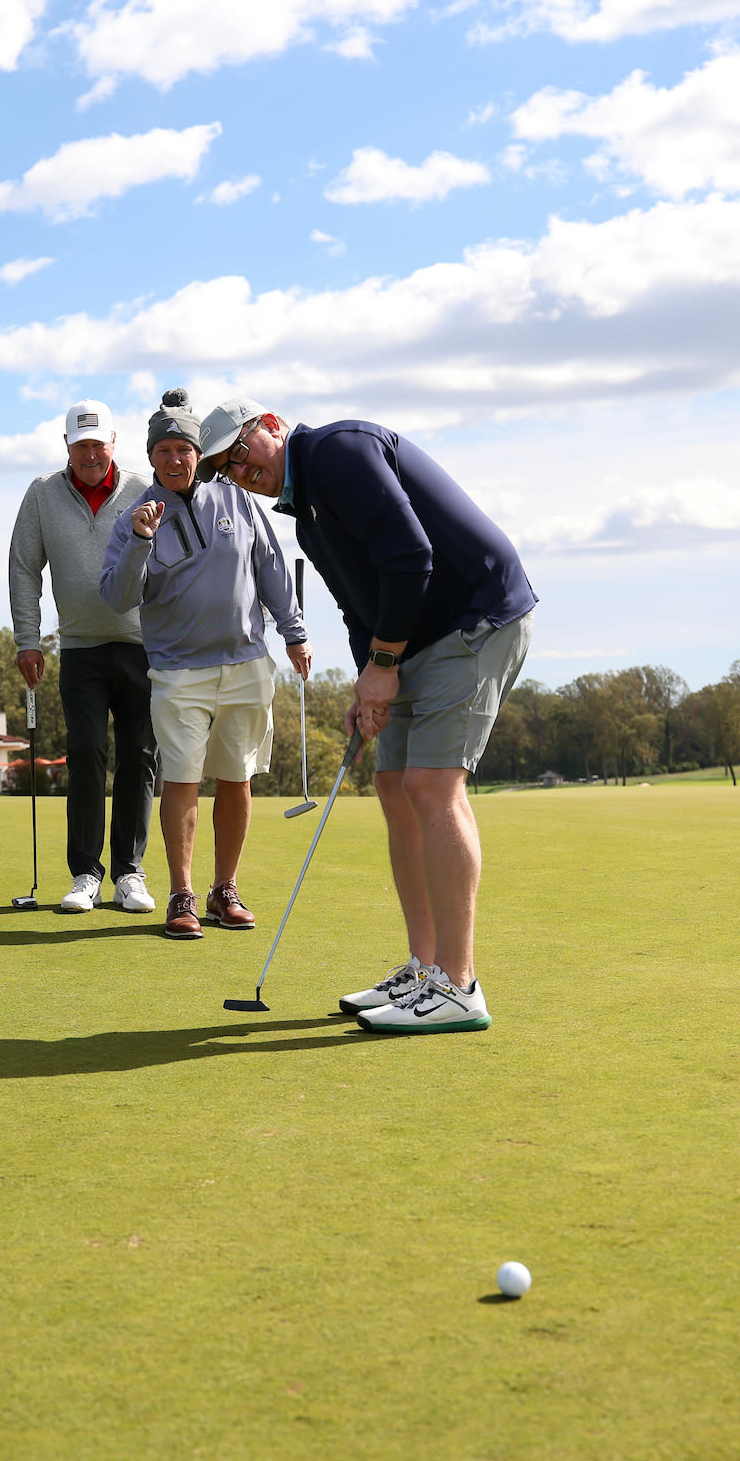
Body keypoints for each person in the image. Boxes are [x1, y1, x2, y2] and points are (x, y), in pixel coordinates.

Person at [199, 398, 536, 1036]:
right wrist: (367, 680)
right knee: (392, 786)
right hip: (418, 640)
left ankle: (458, 986)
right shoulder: (308, 519)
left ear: (272, 426)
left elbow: (410, 556)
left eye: (240, 454)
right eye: (224, 469)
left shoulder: (338, 451)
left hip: (475, 619)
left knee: (431, 785)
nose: (240, 473)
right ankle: (424, 966)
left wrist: (384, 663)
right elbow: (362, 605)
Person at [98, 391, 310, 940]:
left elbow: (270, 567)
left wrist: (295, 633)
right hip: (177, 671)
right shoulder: (132, 519)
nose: (175, 460)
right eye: (164, 450)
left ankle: (224, 890)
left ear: (200, 453)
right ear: (150, 457)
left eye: (185, 449)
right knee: (183, 781)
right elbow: (117, 598)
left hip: (245, 664)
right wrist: (142, 540)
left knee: (236, 780)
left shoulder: (237, 500)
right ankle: (182, 894)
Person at [6, 399, 157, 914]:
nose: (90, 454)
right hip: (79, 647)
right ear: (67, 446)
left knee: (139, 757)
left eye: (99, 444)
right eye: (80, 445)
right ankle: (85, 873)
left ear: (114, 443)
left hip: (143, 648)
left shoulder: (144, 489)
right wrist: (27, 639)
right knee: (87, 754)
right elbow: (24, 567)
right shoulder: (43, 494)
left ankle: (129, 872)